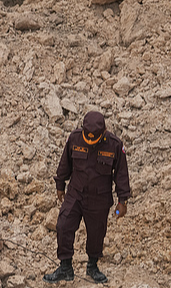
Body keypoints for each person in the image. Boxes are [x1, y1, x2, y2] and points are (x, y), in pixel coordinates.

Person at [44, 111, 130, 284]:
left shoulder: (115, 145)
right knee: (63, 225)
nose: (91, 142)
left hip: (99, 199)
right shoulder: (75, 138)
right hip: (75, 194)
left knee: (96, 233)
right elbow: (65, 163)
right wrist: (60, 185)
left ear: (104, 132)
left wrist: (123, 201)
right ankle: (65, 268)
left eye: (95, 139)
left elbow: (121, 174)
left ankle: (92, 266)